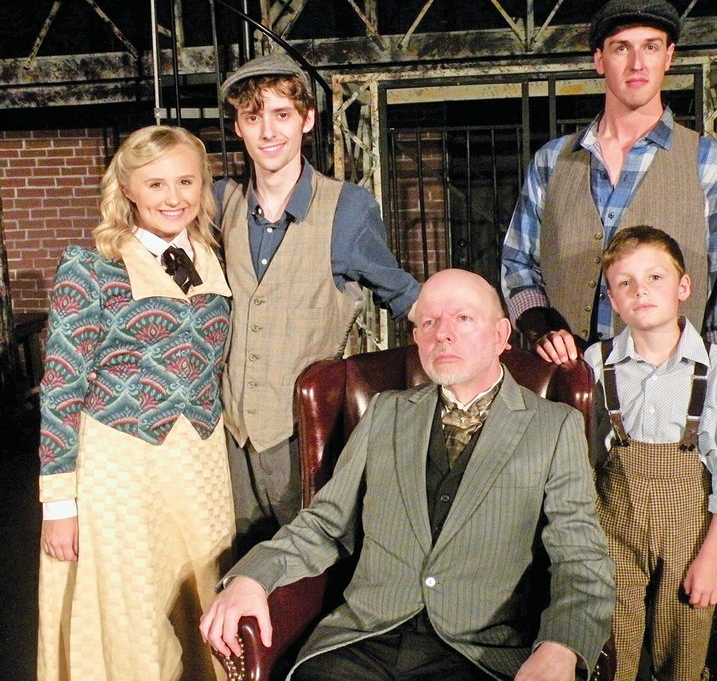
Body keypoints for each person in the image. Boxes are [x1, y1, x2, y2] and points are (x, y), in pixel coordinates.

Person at [200, 268, 615, 681]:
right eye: (429, 322)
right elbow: (324, 525)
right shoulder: (385, 413)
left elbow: (579, 558)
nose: (443, 333)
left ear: (501, 335)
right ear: (416, 338)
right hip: (362, 642)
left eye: (463, 318)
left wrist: (561, 646)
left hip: (476, 654)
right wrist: (253, 577)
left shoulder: (552, 426)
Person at [37, 125, 235, 681]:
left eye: (186, 181)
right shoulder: (90, 265)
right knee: (134, 609)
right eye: (155, 184)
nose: (174, 197)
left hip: (200, 459)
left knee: (206, 598)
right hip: (120, 465)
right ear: (127, 189)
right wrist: (59, 504)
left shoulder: (212, 258)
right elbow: (61, 386)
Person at [215, 52, 420, 552]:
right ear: (239, 127)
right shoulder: (219, 201)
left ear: (307, 119)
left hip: (304, 437)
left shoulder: (347, 207)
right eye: (253, 116)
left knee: (308, 571)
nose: (268, 131)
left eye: (282, 114)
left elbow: (404, 296)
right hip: (227, 439)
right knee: (230, 573)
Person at [501, 0, 717, 364]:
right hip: (567, 377)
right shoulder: (552, 161)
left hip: (667, 380)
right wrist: (541, 323)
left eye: (650, 47)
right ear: (599, 60)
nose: (637, 64)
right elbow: (517, 262)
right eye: (620, 49)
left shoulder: (707, 162)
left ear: (669, 57)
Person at [582, 226, 717, 681]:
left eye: (655, 277)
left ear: (683, 287)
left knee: (683, 646)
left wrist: (712, 557)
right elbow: (576, 459)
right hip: (612, 533)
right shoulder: (593, 365)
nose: (640, 290)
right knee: (609, 648)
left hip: (690, 536)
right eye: (625, 283)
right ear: (612, 300)